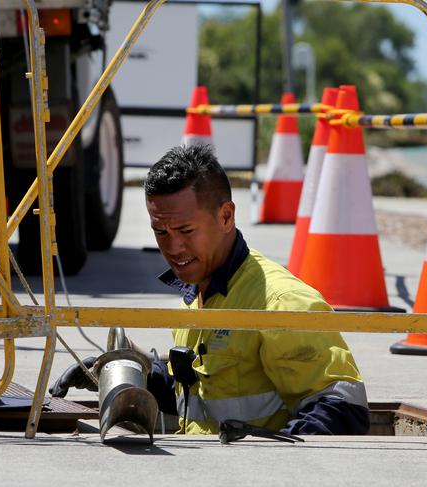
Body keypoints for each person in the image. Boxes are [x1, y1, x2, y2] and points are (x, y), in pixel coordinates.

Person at [145, 143, 369, 435]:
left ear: (226, 217)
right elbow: (201, 397)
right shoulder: (198, 294)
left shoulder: (281, 303)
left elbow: (342, 410)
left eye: (186, 231)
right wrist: (139, 373)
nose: (173, 248)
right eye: (160, 232)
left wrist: (266, 464)